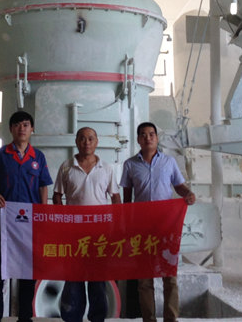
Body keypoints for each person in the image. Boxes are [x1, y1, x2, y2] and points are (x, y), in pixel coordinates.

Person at [0, 111, 53, 322]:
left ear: (32, 129)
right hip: (3, 222)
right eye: (18, 125)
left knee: (27, 271)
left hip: (29, 225)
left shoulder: (38, 157)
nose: (22, 128)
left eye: (26, 124)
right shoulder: (0, 155)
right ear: (11, 129)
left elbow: (43, 186)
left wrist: (43, 212)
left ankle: (25, 317)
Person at [120, 121, 196, 322]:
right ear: (138, 139)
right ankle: (149, 319)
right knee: (144, 279)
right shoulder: (130, 165)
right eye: (143, 135)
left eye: (151, 134)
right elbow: (127, 199)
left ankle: (171, 318)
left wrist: (188, 193)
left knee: (169, 276)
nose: (148, 138)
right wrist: (126, 226)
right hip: (142, 228)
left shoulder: (169, 162)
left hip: (166, 227)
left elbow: (179, 186)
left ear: (157, 137)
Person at [52, 127, 121, 322]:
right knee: (74, 278)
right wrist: (63, 221)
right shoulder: (66, 167)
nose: (87, 142)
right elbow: (57, 196)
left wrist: (116, 225)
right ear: (76, 142)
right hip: (73, 233)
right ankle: (72, 317)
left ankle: (97, 318)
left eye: (91, 138)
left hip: (100, 234)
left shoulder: (106, 168)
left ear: (97, 142)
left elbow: (115, 197)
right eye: (82, 138)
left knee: (97, 279)